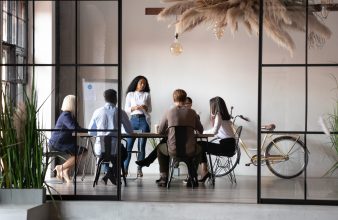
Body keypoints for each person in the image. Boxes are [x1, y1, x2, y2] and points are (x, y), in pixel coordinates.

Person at [155, 89, 203, 187]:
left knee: (160, 149)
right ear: (185, 99)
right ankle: (192, 177)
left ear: (173, 99)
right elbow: (201, 130)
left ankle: (164, 178)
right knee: (199, 149)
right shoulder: (192, 112)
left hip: (173, 150)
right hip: (190, 150)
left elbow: (160, 132)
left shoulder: (168, 112)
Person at [135, 96, 196, 168]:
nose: (185, 105)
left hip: (185, 144)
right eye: (184, 103)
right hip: (181, 144)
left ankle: (157, 169)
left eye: (187, 103)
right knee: (164, 142)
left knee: (162, 145)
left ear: (191, 104)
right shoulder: (178, 114)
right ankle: (149, 161)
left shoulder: (193, 114)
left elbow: (199, 130)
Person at [88, 89, 133, 185]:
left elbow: (90, 131)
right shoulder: (120, 112)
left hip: (100, 149)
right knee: (124, 153)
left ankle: (109, 173)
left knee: (112, 154)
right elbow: (130, 131)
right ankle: (110, 173)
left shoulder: (97, 112)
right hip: (114, 150)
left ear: (105, 99)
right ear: (116, 99)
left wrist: (101, 136)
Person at [49, 95, 87, 183]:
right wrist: (87, 131)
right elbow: (73, 127)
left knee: (80, 152)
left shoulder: (70, 115)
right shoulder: (66, 115)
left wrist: (86, 131)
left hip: (63, 143)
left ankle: (65, 171)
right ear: (73, 104)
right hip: (58, 144)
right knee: (83, 152)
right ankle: (60, 167)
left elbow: (77, 128)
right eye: (76, 103)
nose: (78, 105)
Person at [197, 96, 236, 183]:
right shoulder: (225, 116)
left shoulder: (219, 115)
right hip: (230, 146)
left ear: (214, 106)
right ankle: (205, 171)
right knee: (200, 145)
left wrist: (201, 132)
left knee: (199, 145)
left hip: (226, 147)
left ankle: (204, 171)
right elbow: (217, 131)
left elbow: (214, 131)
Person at [124, 75, 152, 177]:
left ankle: (139, 170)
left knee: (141, 147)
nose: (143, 85)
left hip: (143, 121)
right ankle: (125, 169)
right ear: (136, 83)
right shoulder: (130, 94)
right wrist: (133, 108)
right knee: (129, 147)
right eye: (141, 83)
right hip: (133, 121)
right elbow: (126, 109)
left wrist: (145, 107)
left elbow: (150, 109)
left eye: (145, 83)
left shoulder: (147, 95)